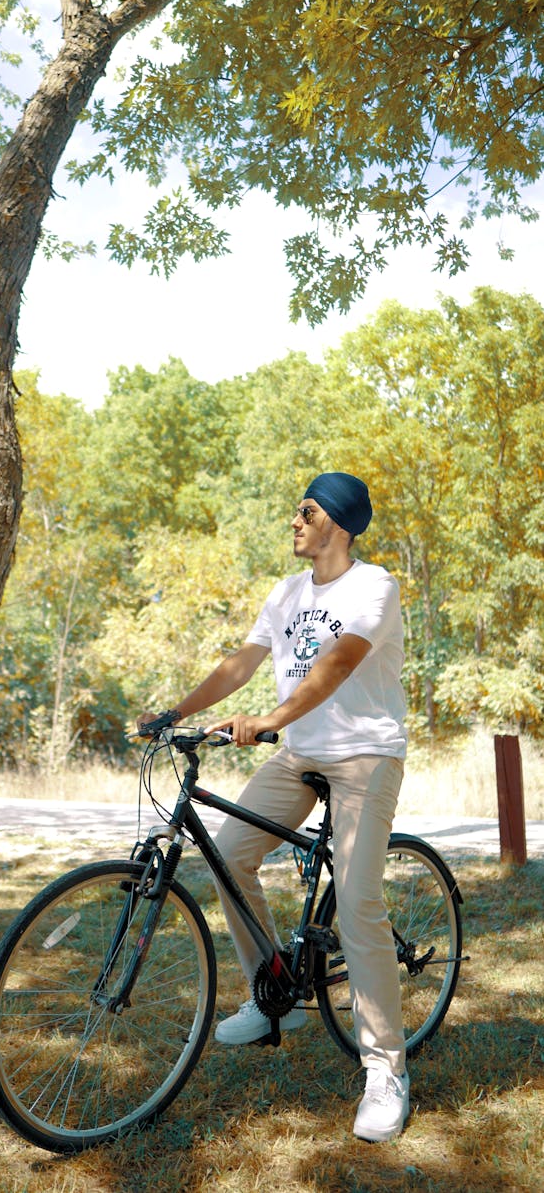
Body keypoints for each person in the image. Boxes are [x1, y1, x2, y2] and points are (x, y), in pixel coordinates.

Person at [139, 472, 409, 1143]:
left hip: (364, 755)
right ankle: (274, 992)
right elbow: (241, 663)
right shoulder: (287, 591)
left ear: (338, 524)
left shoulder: (374, 586)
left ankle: (385, 1068)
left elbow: (339, 664)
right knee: (228, 853)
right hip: (300, 754)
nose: (294, 519)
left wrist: (270, 716)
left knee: (356, 901)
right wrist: (178, 711)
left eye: (307, 510)